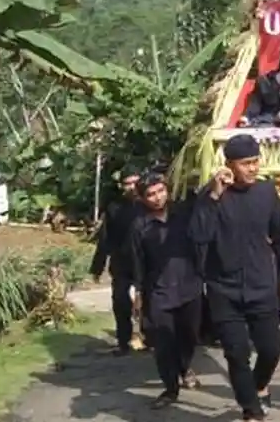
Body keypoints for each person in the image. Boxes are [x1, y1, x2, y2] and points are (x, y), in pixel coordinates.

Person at [189, 134, 280, 422]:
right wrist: (214, 195)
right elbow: (198, 235)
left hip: (262, 286)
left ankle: (259, 385)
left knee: (271, 349)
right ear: (229, 165)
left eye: (255, 162)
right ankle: (251, 411)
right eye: (245, 163)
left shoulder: (266, 193)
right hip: (222, 290)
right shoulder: (210, 195)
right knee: (236, 354)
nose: (252, 168)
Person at [130, 173, 204, 408]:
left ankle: (184, 366)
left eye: (160, 191)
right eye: (150, 194)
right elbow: (137, 261)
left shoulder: (183, 214)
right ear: (142, 198)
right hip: (159, 293)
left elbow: (205, 202)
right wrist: (137, 292)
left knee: (189, 336)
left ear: (168, 190)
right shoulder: (139, 226)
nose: (157, 198)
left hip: (190, 287)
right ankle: (170, 388)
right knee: (163, 343)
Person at [89, 167, 144, 354]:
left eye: (135, 183)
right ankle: (123, 341)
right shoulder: (114, 207)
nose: (132, 188)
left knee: (149, 301)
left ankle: (149, 338)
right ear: (121, 186)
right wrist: (97, 266)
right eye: (127, 183)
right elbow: (105, 238)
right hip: (122, 261)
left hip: (146, 262)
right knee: (120, 301)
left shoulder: (149, 204)